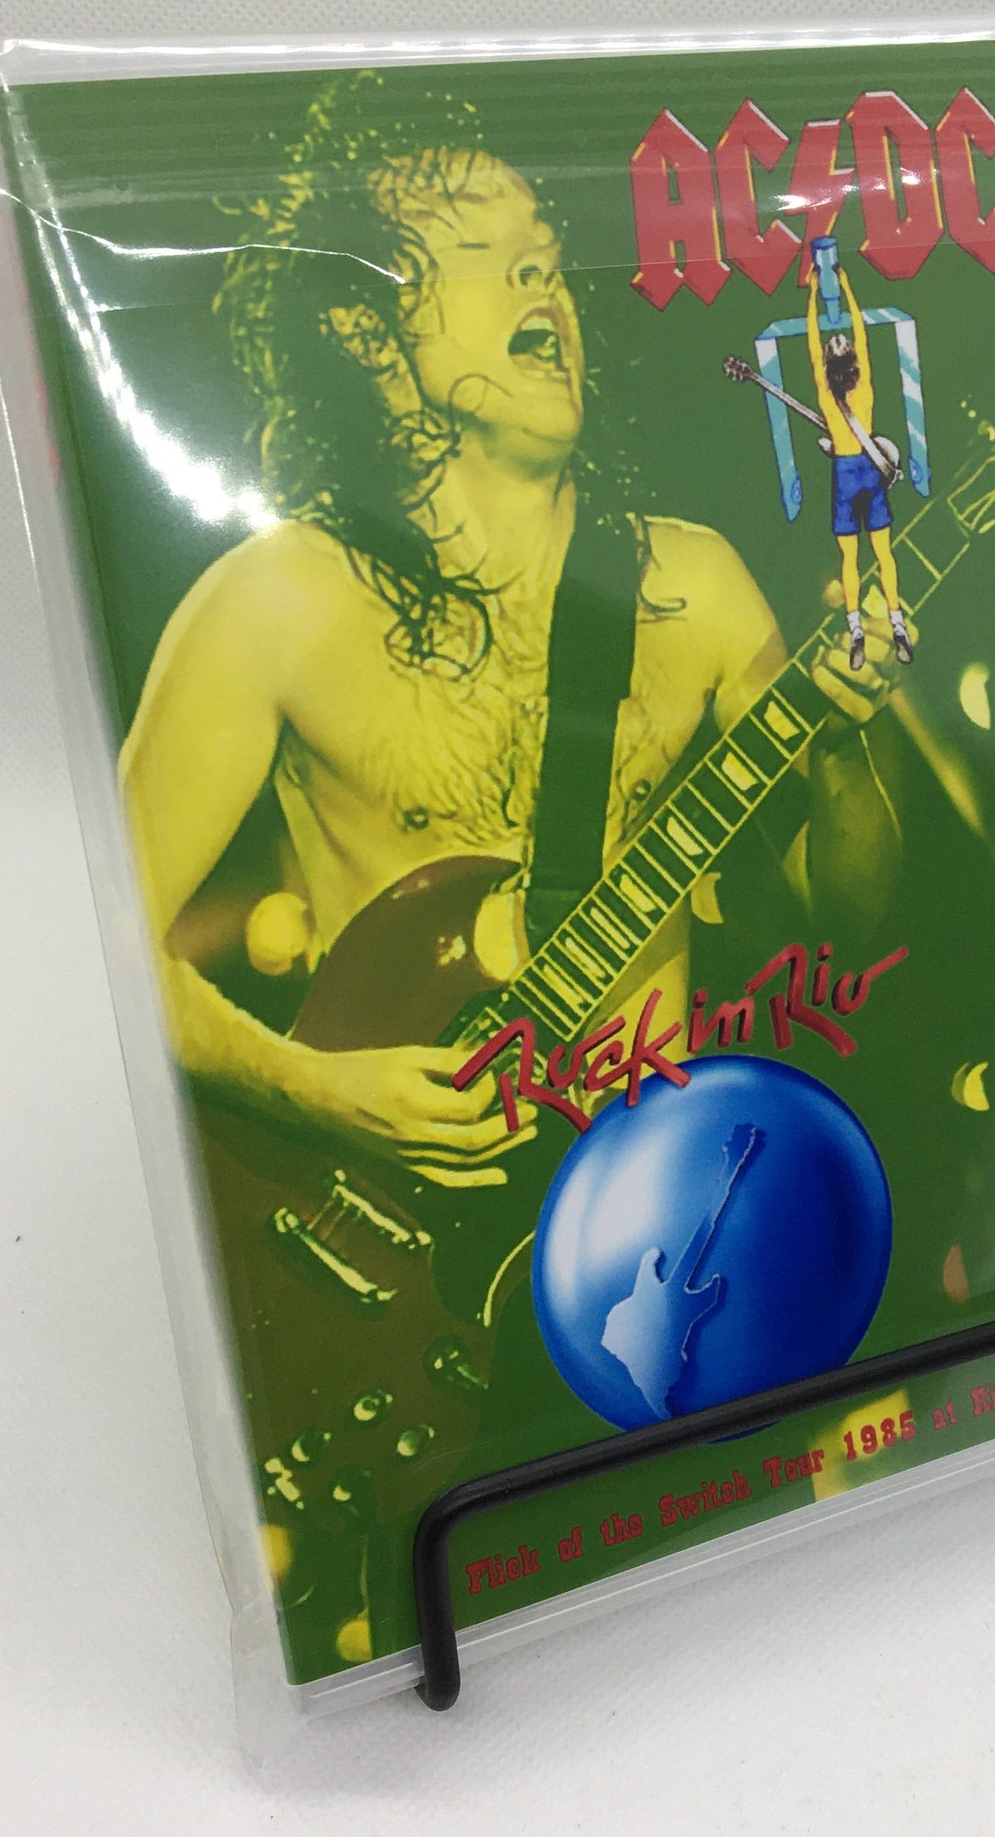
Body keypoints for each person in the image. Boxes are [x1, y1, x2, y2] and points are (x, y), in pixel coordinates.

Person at [121, 71, 906, 1194]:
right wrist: (311, 1090)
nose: (544, 274)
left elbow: (850, 918)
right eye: (484, 252)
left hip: (637, 1208)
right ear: (364, 327)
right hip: (376, 1225)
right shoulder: (275, 601)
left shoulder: (691, 586)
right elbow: (93, 950)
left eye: (544, 249)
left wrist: (841, 746)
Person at [804, 255, 916, 673]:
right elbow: (862, 334)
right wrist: (847, 287)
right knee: (884, 554)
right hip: (871, 472)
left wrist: (813, 293)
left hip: (845, 475)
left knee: (849, 559)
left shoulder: (824, 392)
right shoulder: (865, 388)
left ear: (827, 368)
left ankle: (855, 631)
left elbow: (812, 342)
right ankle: (897, 623)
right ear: (852, 362)